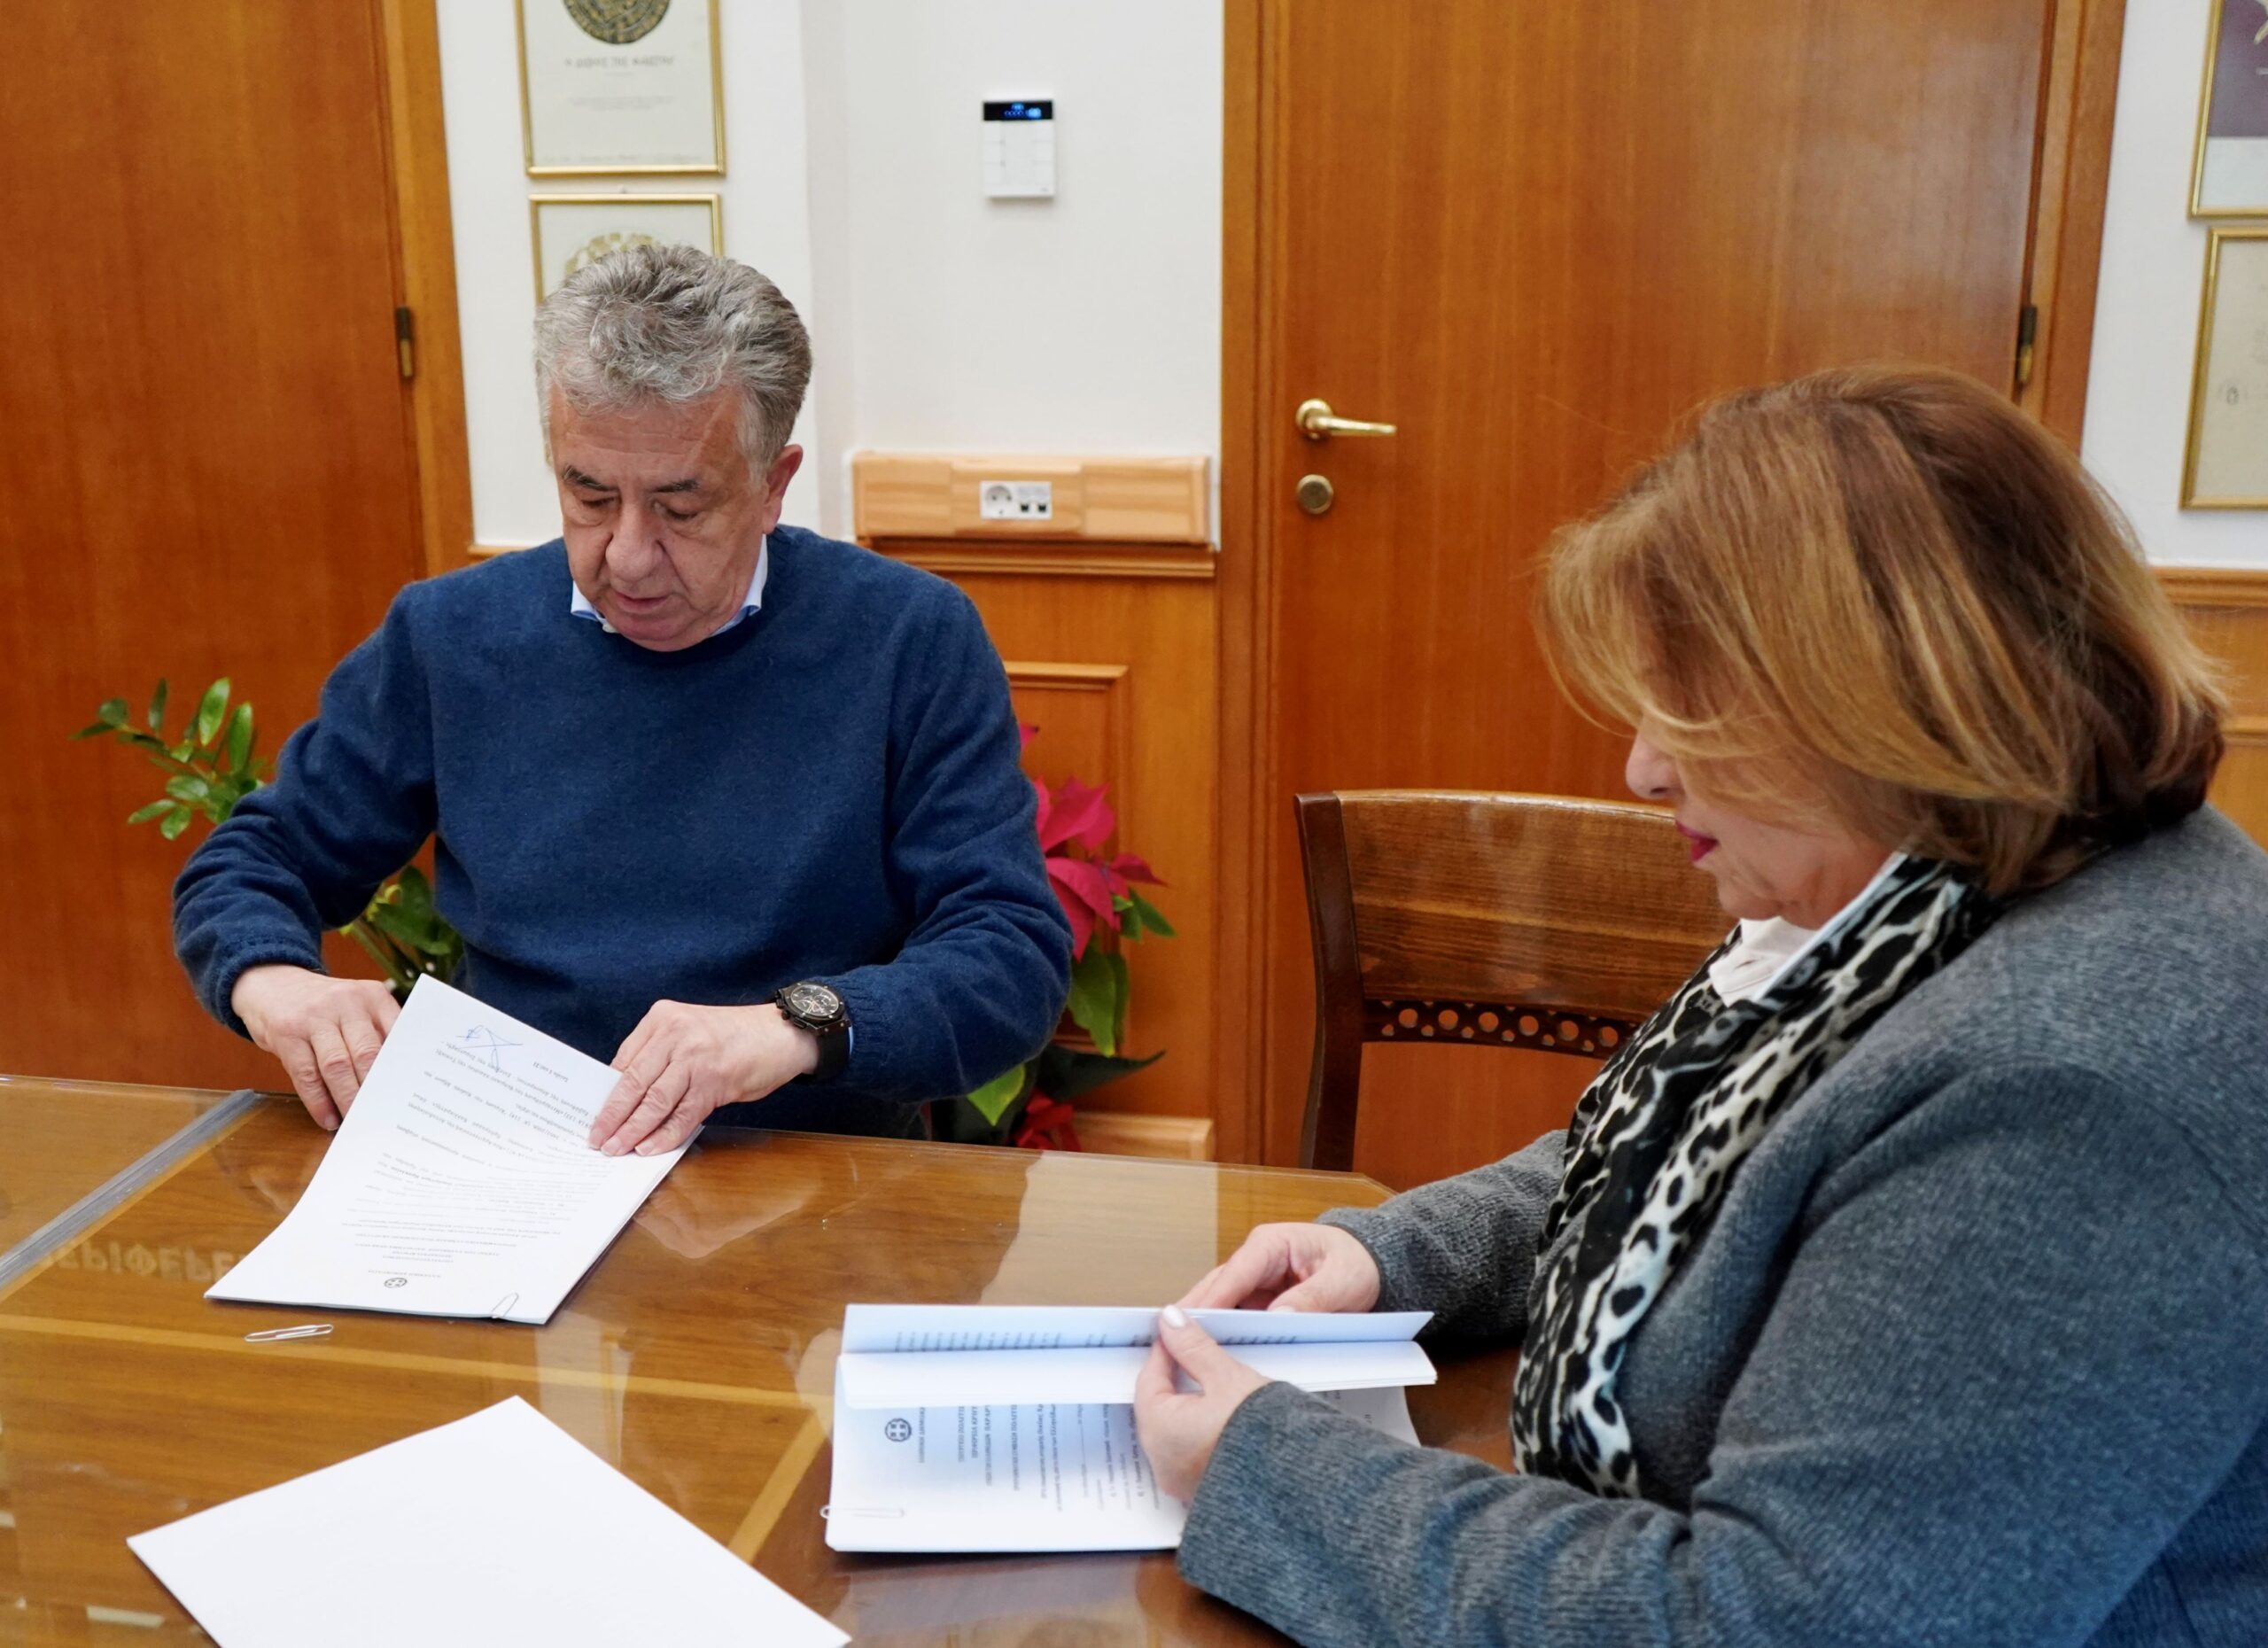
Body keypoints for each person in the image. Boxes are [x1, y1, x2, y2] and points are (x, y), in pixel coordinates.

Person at [1133, 365, 2268, 1646]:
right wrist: (1399, 1258)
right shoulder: (1928, 895)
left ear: (1881, 702)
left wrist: (1268, 1472)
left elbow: (1765, 1623)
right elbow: (1686, 1174)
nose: (1643, 768)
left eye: (1697, 710)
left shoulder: (2061, 1094)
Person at [175, 245, 1072, 1151]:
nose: (629, 556)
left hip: (813, 1166)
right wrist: (274, 982)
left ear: (773, 485)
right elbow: (256, 860)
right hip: (517, 1158)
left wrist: (794, 1028)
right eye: (590, 496)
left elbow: (1008, 956)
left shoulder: (908, 638)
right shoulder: (451, 635)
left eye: (680, 508)